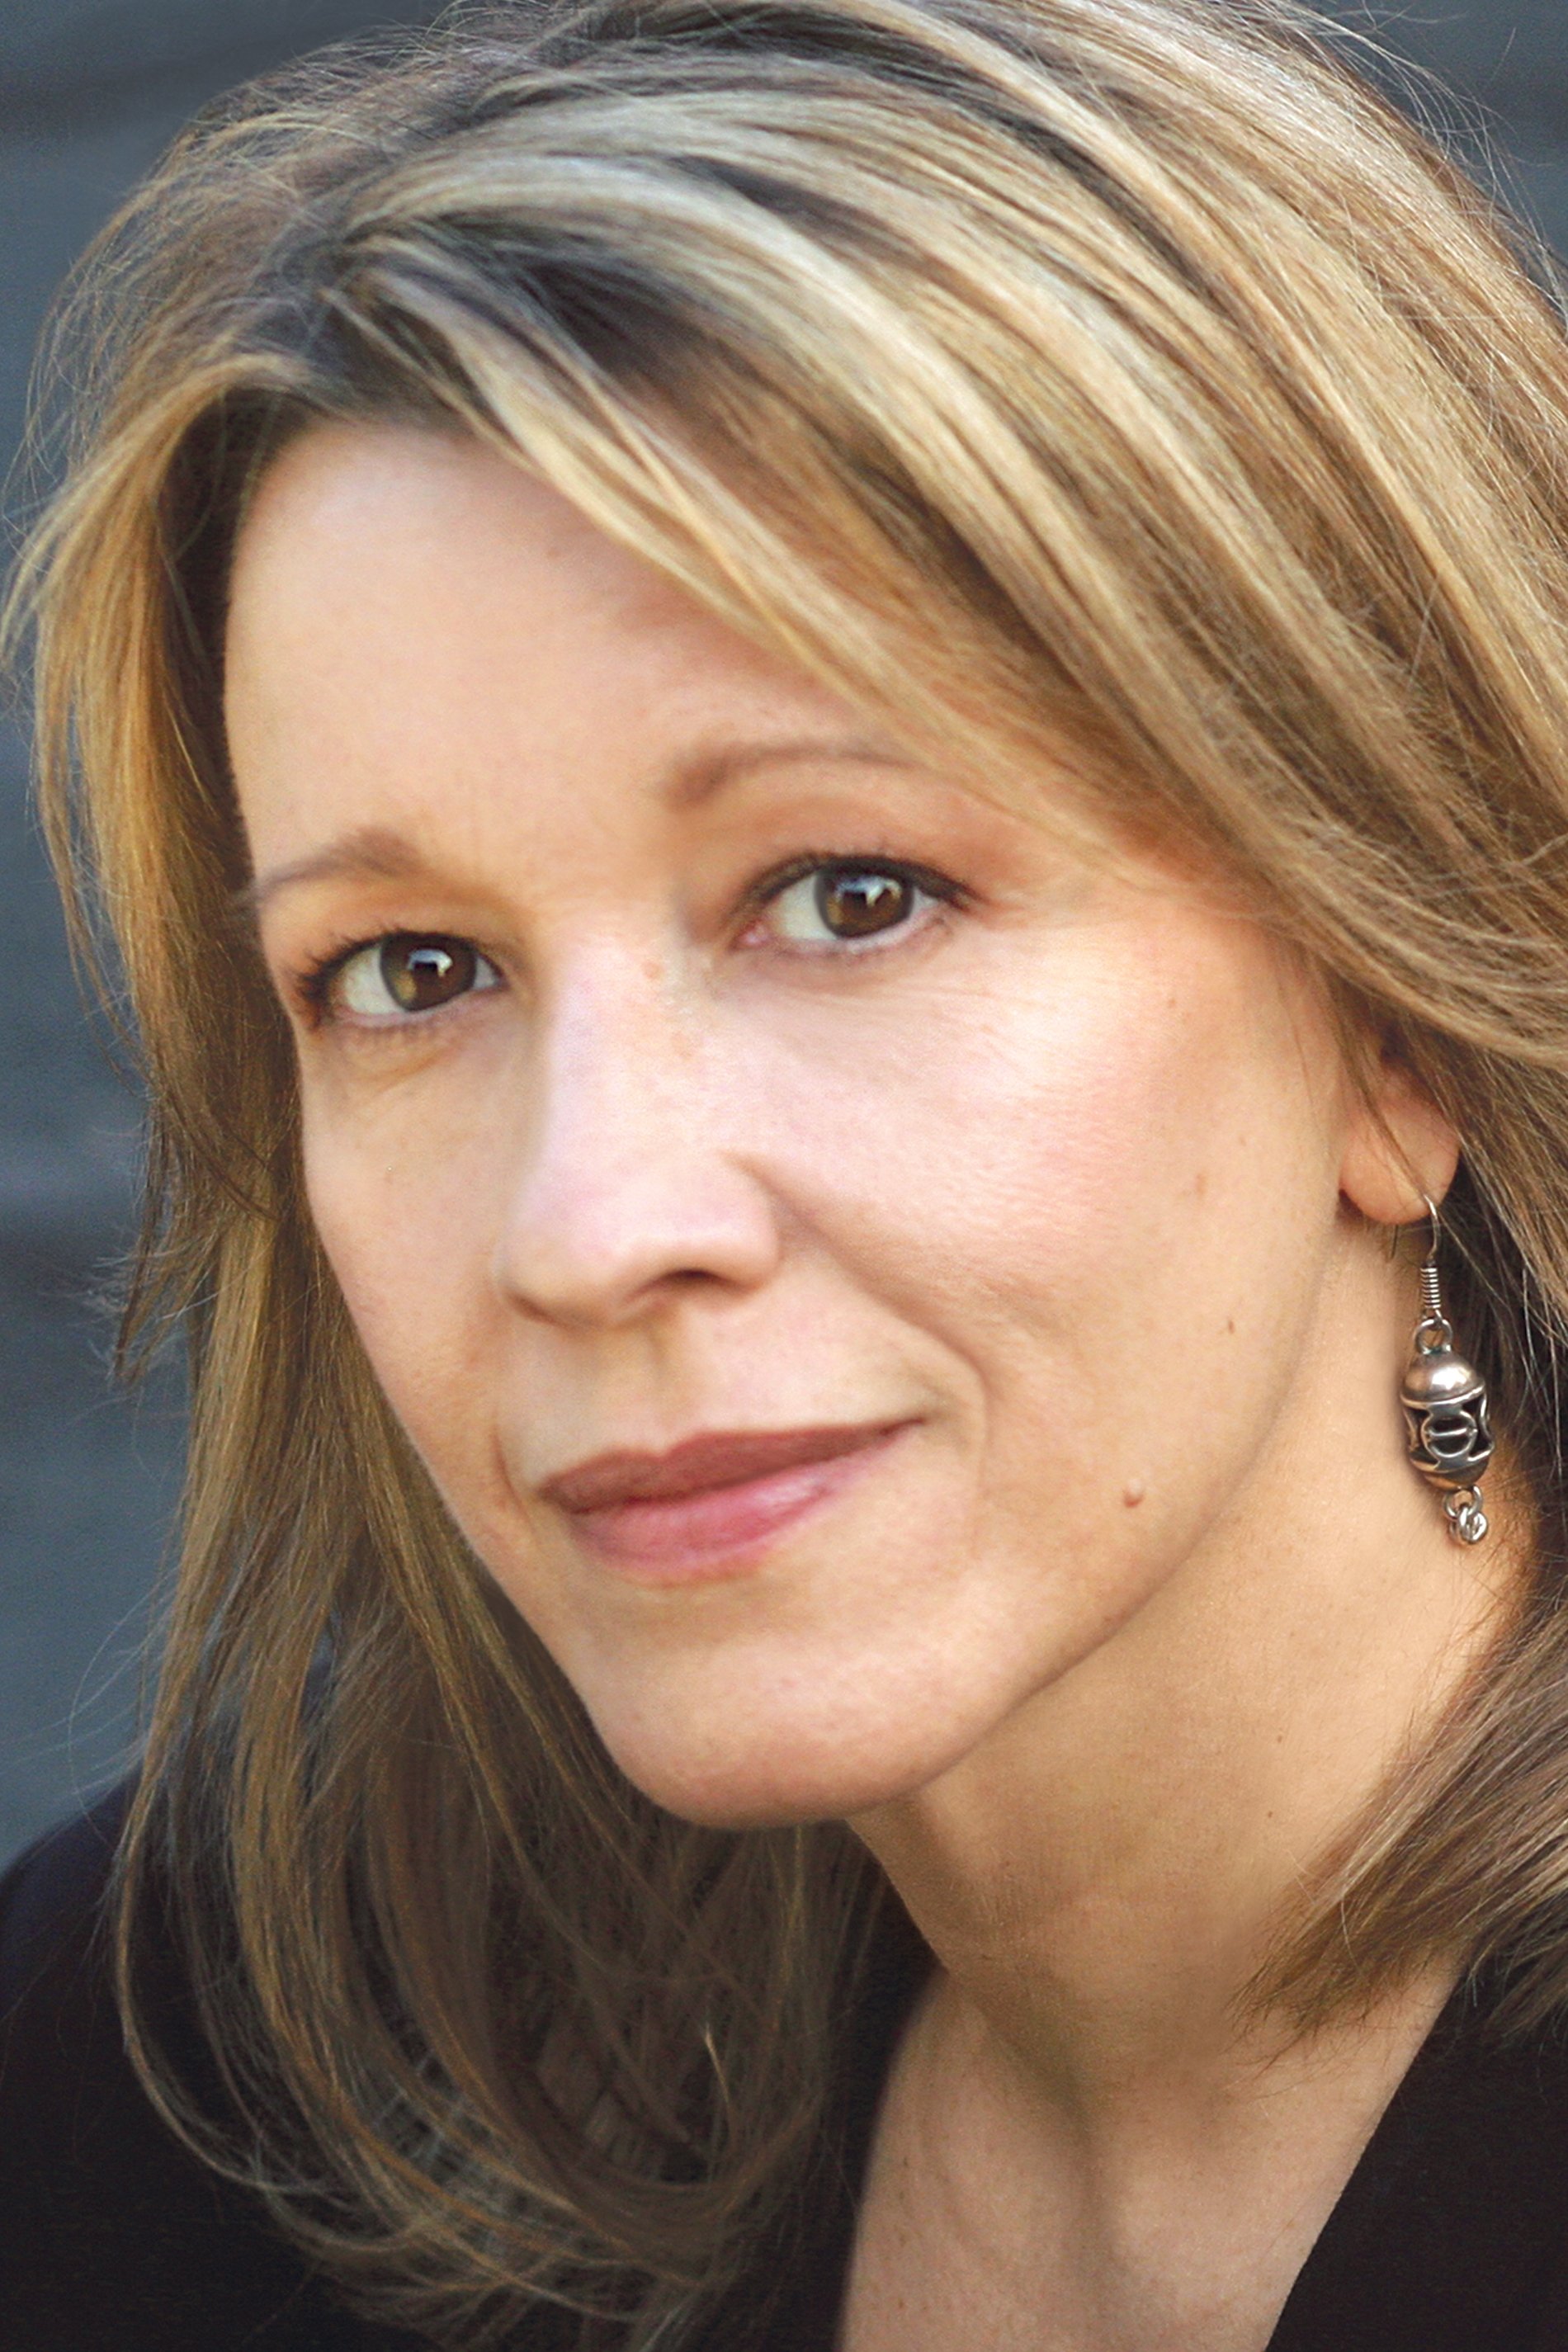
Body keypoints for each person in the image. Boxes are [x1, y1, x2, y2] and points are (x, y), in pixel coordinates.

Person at [6, 0, 1568, 2342]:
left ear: (1395, 1008)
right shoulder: (212, 2079)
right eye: (413, 971)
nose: (588, 1229)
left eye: (849, 896)